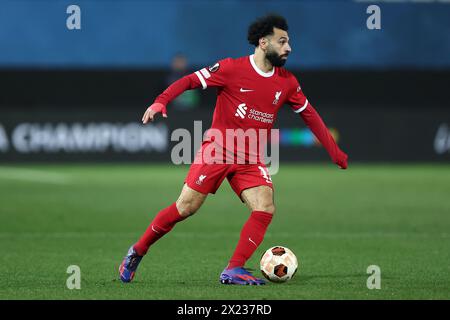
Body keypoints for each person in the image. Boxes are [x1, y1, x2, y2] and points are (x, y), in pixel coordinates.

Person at [119, 14, 348, 285]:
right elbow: (190, 81)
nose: (289, 48)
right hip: (217, 150)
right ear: (263, 43)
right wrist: (161, 101)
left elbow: (309, 114)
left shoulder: (287, 82)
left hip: (250, 159)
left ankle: (233, 269)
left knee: (265, 207)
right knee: (185, 208)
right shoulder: (231, 68)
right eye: (282, 41)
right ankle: (138, 250)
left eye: (289, 42)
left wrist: (334, 151)